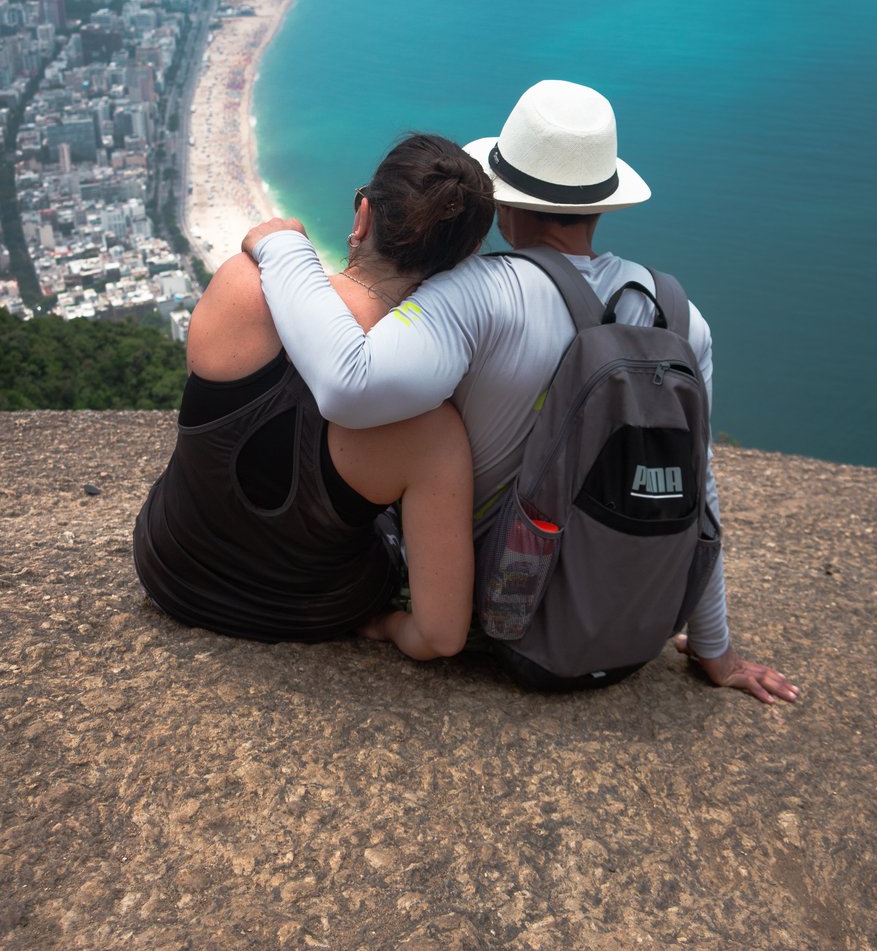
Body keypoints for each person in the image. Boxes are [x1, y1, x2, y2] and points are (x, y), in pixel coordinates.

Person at [243, 81, 798, 704]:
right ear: (602, 201)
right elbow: (699, 486)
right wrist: (713, 647)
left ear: (503, 202)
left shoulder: (482, 294)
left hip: (497, 621)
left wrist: (282, 248)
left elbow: (348, 385)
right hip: (628, 629)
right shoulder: (678, 314)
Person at [133, 133, 495, 661]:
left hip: (172, 573)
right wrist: (392, 625)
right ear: (464, 261)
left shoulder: (242, 285)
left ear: (364, 217)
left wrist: (288, 239)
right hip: (315, 613)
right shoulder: (431, 428)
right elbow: (440, 635)